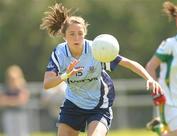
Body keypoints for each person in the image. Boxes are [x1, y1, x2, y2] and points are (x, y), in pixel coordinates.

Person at [40, 3, 163, 136]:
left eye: (80, 33)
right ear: (64, 36)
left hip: (99, 105)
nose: (76, 38)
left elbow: (128, 63)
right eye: (72, 34)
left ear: (85, 34)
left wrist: (149, 78)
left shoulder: (97, 50)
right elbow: (47, 84)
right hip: (73, 104)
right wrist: (65, 75)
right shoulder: (60, 53)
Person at [145, 1, 177, 136]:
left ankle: (159, 129)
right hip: (171, 103)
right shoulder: (170, 45)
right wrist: (156, 92)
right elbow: (151, 66)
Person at [0, 65, 30, 136]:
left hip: (20, 114)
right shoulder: (5, 87)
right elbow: (1, 102)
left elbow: (22, 100)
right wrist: (14, 101)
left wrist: (8, 101)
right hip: (8, 114)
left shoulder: (22, 87)